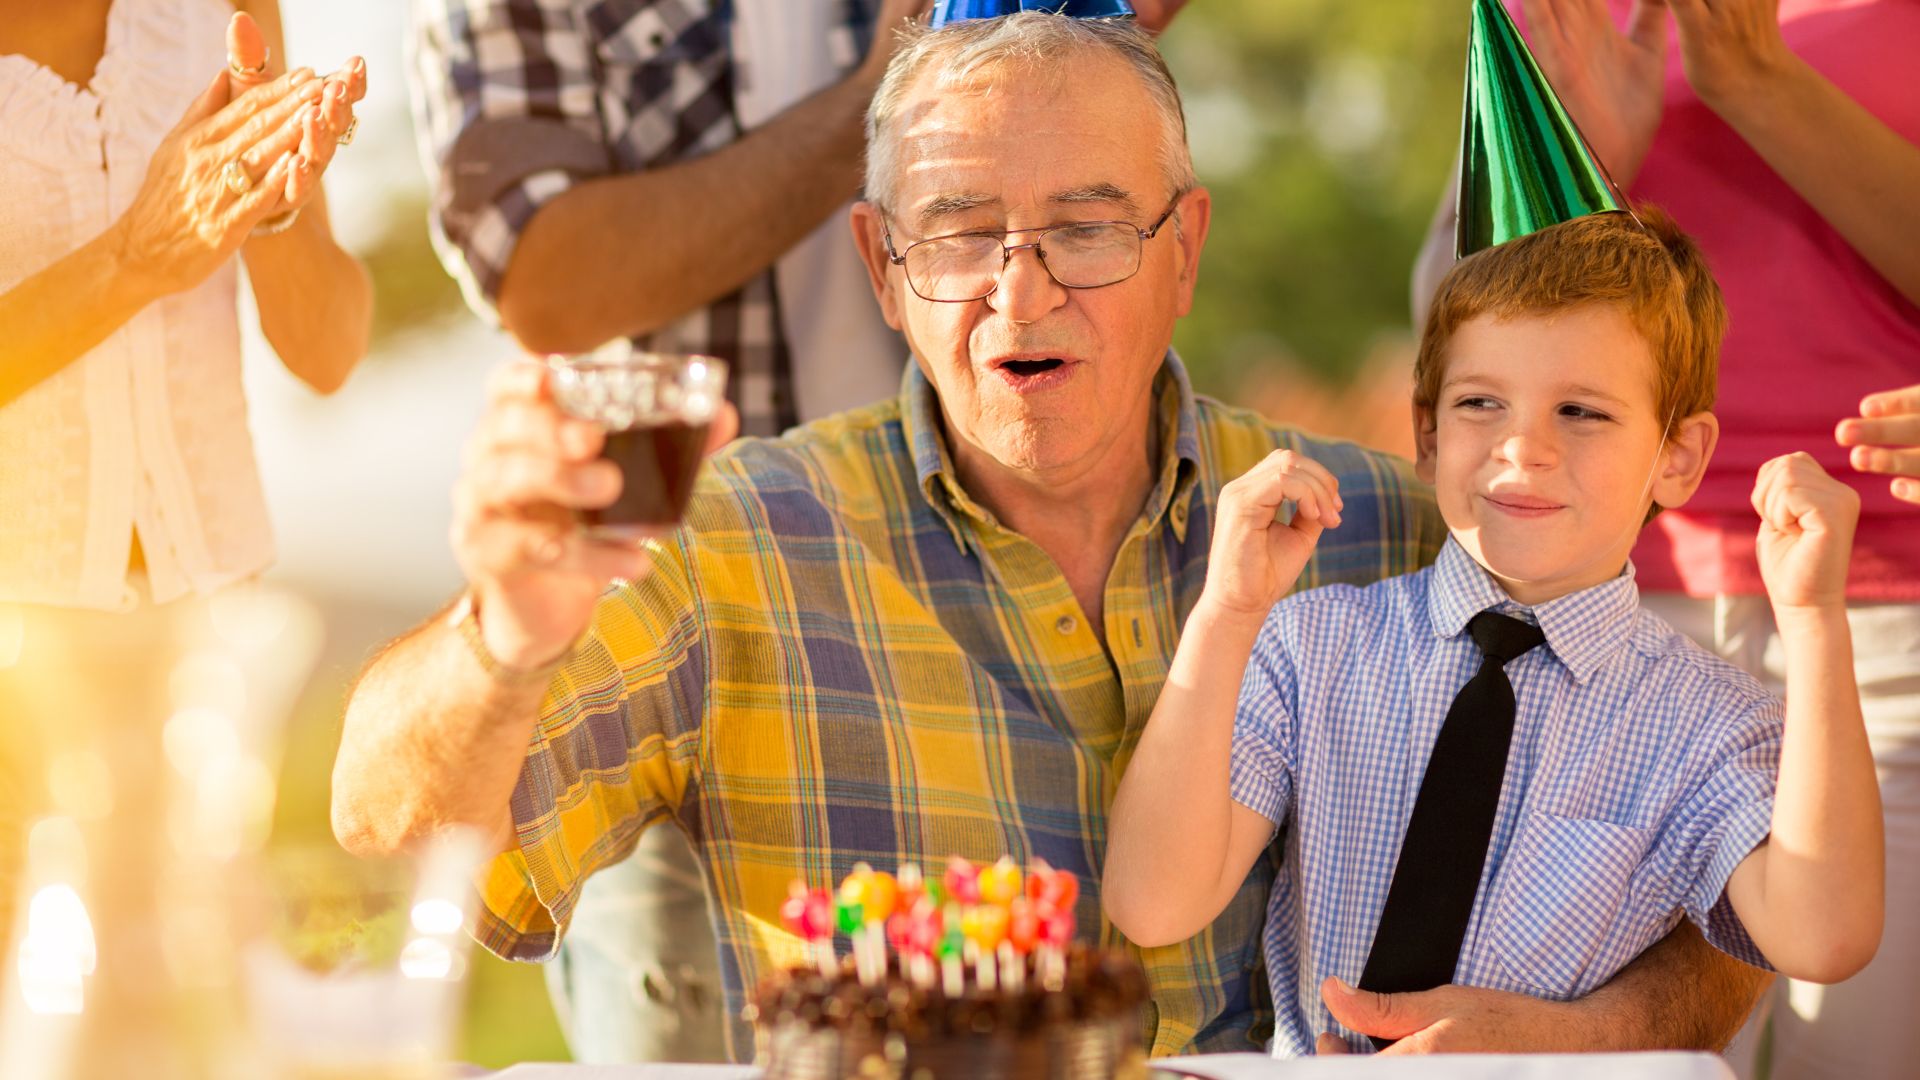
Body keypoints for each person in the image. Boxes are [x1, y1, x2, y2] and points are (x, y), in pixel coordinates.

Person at [335, 12, 1767, 1062]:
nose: (1022, 296)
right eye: (959, 234)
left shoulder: (1384, 531)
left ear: (1186, 250)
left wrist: (1581, 1029)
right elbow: (392, 841)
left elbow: (1722, 903)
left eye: (1088, 228)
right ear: (883, 270)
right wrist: (499, 639)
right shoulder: (738, 546)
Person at [406, 0, 1191, 1058]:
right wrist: (899, 96)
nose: (1017, 278)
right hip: (711, 603)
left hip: (1001, 517)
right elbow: (550, 278)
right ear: (886, 262)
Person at [1106, 206, 1882, 1055]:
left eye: (1581, 412)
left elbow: (1823, 939)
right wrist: (1226, 614)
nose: (1522, 449)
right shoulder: (1312, 646)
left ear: (1679, 456)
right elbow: (1151, 902)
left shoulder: (1713, 725)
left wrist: (1813, 624)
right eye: (1482, 402)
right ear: (1428, 434)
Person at [1411, 4, 1920, 1075]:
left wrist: (1755, 81)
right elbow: (1447, 327)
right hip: (1609, 625)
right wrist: (1579, 172)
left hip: (1886, 619)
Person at [0, 0, 369, 953]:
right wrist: (136, 255)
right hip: (17, 691)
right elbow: (154, 250)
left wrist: (268, 201)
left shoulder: (225, 12)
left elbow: (328, 350)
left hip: (208, 691)